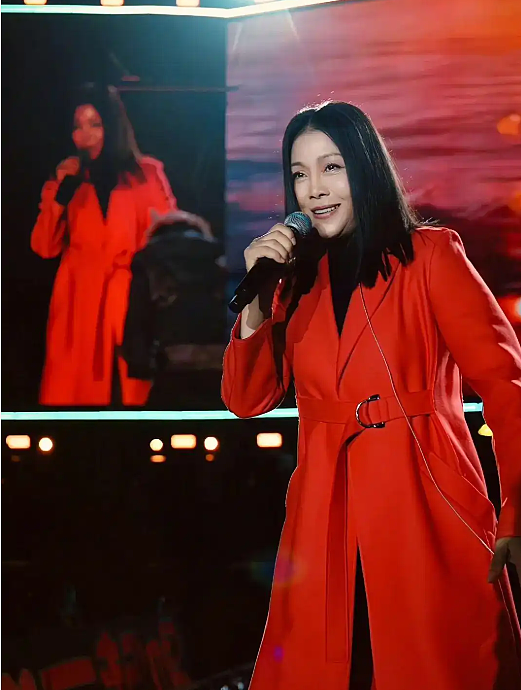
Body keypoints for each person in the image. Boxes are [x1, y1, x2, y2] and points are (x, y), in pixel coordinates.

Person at [221, 101, 521, 690]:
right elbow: (246, 400)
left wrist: (517, 509)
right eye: (300, 173)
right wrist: (256, 302)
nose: (314, 188)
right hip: (323, 516)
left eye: (331, 167)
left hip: (424, 503)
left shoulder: (430, 256)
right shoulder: (293, 282)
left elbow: (506, 386)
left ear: (365, 167)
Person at [31, 84, 178, 406]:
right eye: (78, 126)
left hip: (131, 296)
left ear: (111, 126)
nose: (85, 135)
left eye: (94, 124)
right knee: (75, 393)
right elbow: (44, 247)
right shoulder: (66, 179)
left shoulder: (147, 174)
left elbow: (169, 236)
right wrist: (60, 196)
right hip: (79, 299)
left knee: (133, 391)